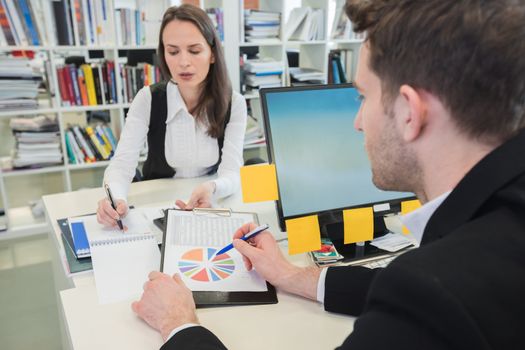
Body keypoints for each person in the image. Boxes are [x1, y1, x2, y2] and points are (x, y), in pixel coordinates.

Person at [132, 0, 525, 348]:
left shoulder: (431, 294)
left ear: (410, 112)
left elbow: (422, 296)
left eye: (363, 96)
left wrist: (178, 324)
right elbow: (389, 285)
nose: (356, 122)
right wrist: (290, 275)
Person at [97, 4, 247, 228]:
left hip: (208, 207)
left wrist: (212, 188)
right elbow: (121, 165)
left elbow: (232, 172)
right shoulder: (148, 98)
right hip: (156, 207)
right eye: (173, 51)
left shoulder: (234, 103)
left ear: (213, 53)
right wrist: (115, 198)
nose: (183, 62)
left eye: (195, 51)